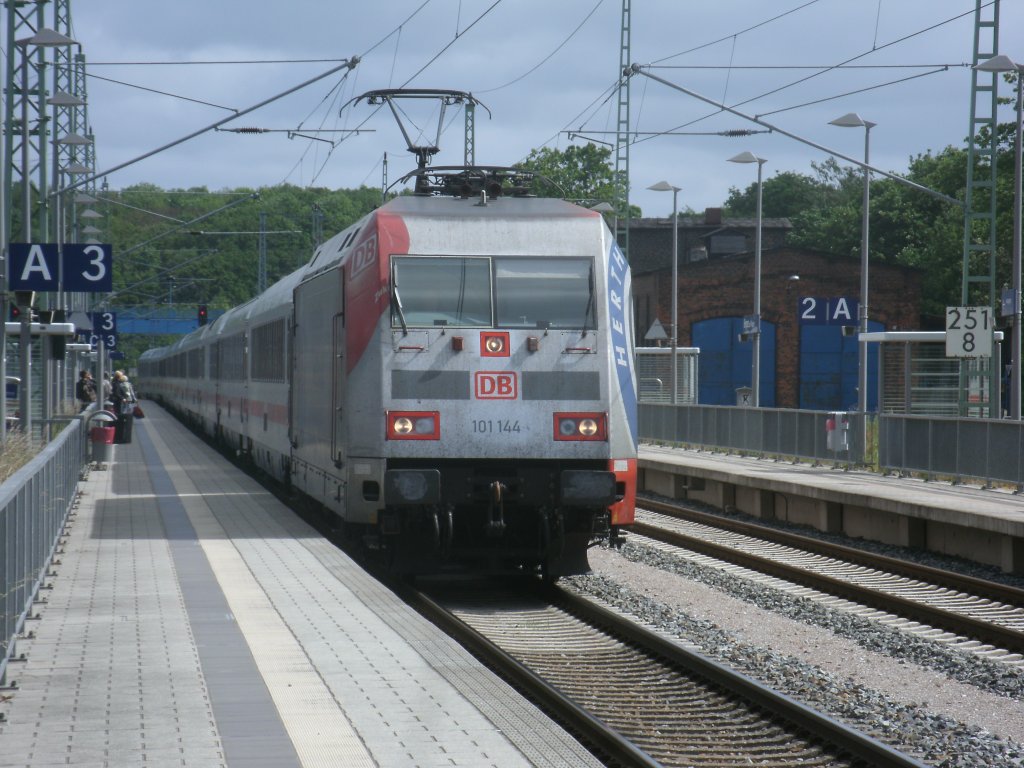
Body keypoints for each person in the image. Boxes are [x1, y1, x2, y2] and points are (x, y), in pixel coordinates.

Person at [110, 370, 137, 444]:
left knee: (122, 417)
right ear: (119, 376)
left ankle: (120, 437)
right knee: (120, 417)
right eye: (121, 375)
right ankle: (120, 437)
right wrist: (123, 398)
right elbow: (117, 393)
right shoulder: (116, 384)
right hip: (119, 403)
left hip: (120, 402)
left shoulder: (116, 383)